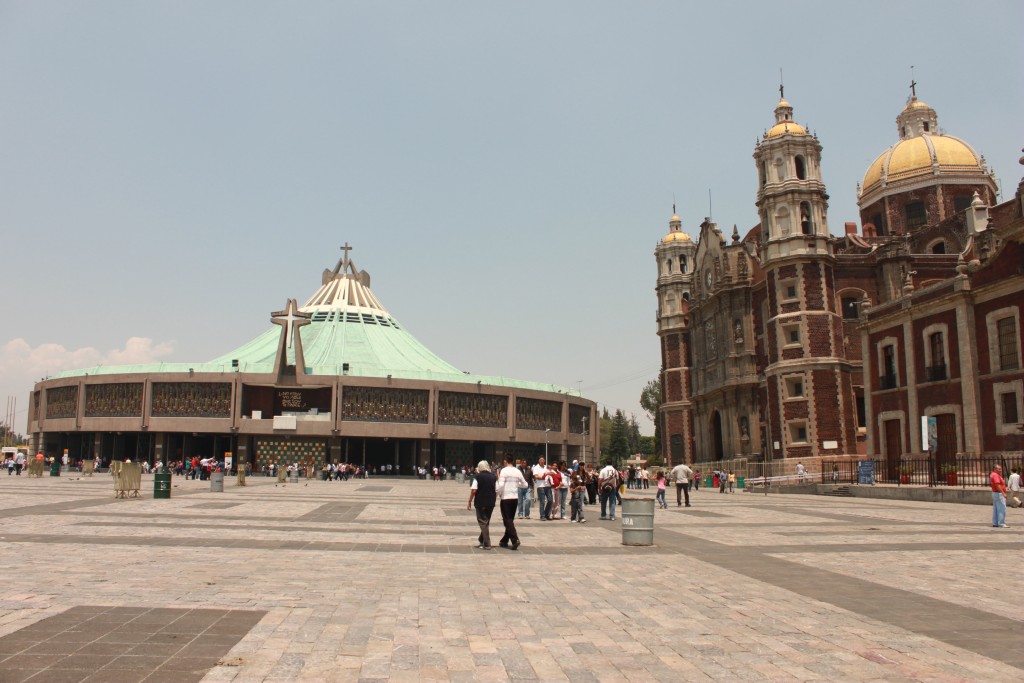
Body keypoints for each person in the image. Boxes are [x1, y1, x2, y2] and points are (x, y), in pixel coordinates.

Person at [495, 455, 527, 549]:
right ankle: (504, 540)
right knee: (510, 521)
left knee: (507, 520)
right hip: (515, 498)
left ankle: (515, 539)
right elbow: (525, 484)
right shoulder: (517, 471)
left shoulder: (504, 471)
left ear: (505, 461)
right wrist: (517, 484)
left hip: (506, 498)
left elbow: (500, 485)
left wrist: (497, 493)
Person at [467, 460, 498, 549]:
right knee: (486, 521)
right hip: (491, 502)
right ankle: (481, 539)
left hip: (480, 502)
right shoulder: (493, 477)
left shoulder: (478, 477)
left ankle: (487, 543)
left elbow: (473, 490)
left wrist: (469, 501)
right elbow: (496, 489)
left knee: (482, 521)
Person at [990, 464, 1008, 528]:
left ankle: (995, 522)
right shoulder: (995, 475)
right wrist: (1003, 493)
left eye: (1000, 469)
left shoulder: (993, 474)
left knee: (996, 509)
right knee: (1002, 509)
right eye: (999, 469)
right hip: (999, 494)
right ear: (995, 469)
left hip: (995, 493)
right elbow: (997, 485)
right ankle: (1001, 523)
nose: (1000, 470)